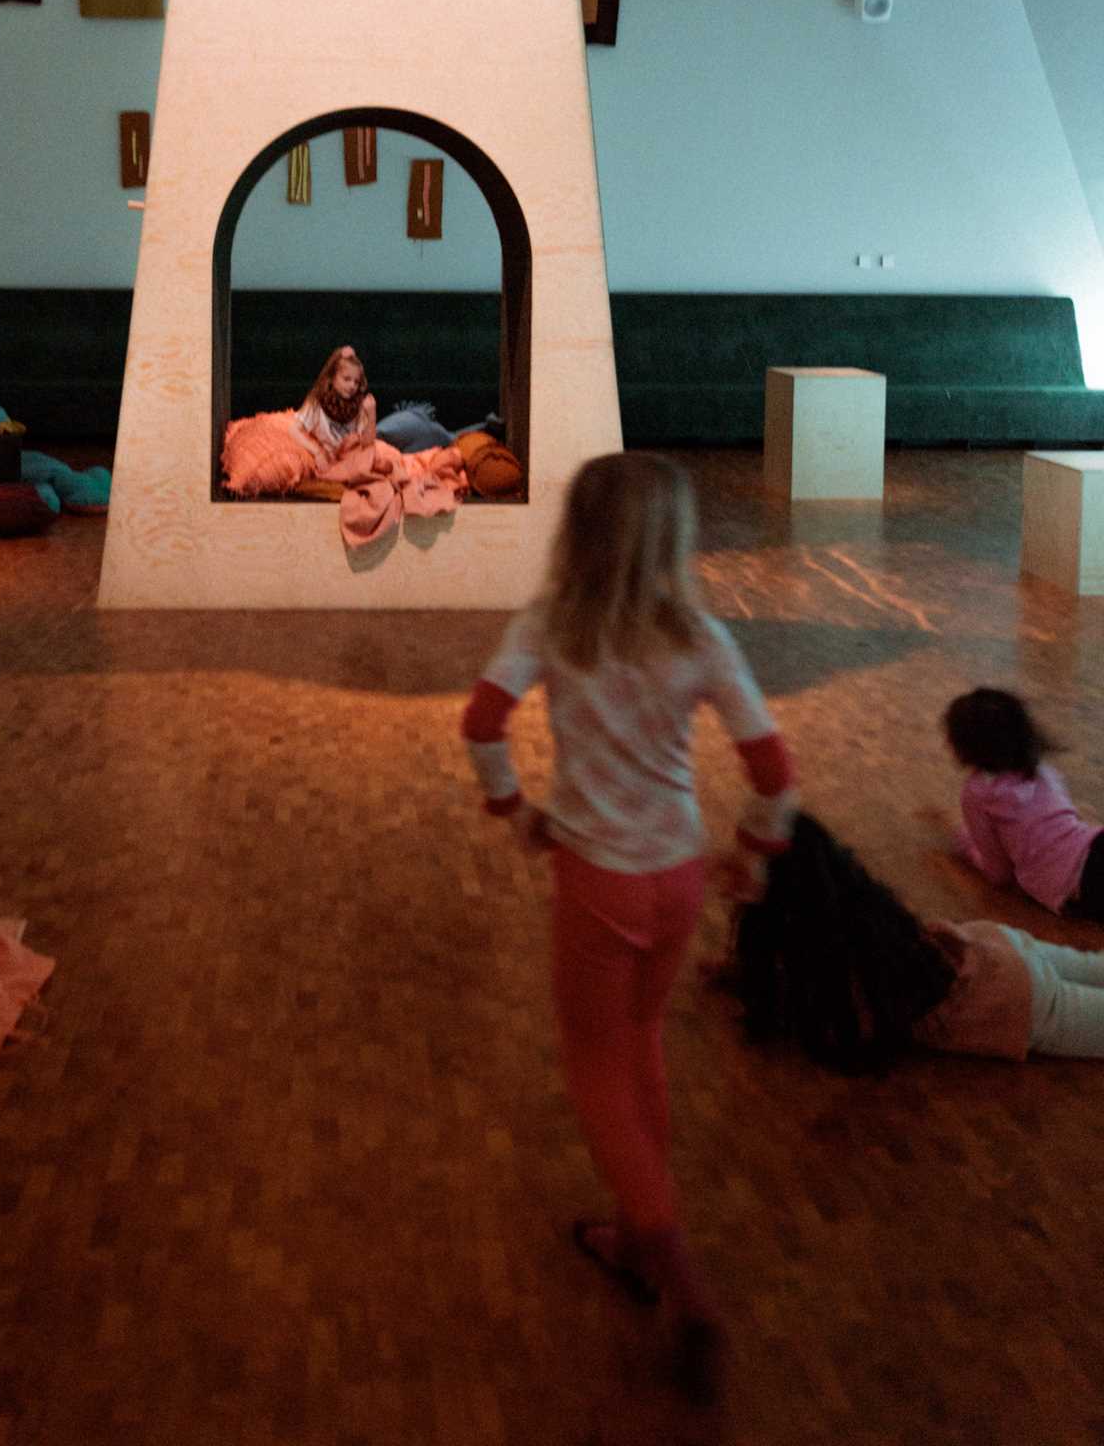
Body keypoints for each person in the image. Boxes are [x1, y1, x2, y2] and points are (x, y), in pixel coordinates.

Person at [459, 451, 797, 1407]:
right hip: (679, 874)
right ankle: (632, 1226)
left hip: (597, 879)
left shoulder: (553, 625)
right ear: (674, 539)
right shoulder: (701, 636)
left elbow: (482, 723)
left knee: (594, 1065)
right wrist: (753, 851)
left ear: (581, 532)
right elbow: (776, 772)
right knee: (642, 1041)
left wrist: (510, 810)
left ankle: (671, 1263)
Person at [729, 809, 1104, 1069]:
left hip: (1008, 998)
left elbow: (854, 1026)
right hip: (987, 943)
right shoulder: (861, 905)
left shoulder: (818, 956)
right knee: (1092, 966)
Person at [933, 687, 1104, 919]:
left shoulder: (977, 792)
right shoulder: (1042, 770)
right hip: (1092, 846)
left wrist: (968, 847)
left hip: (1072, 882)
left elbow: (999, 874)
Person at [293, 346, 376, 462]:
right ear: (332, 377)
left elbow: (367, 444)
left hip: (349, 458)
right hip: (326, 455)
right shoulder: (317, 401)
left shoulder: (358, 405)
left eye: (356, 382)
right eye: (346, 379)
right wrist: (317, 453)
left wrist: (371, 415)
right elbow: (295, 430)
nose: (352, 386)